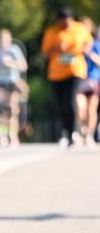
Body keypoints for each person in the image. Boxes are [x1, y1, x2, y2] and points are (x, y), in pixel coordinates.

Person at [41, 9, 92, 147]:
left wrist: (84, 49)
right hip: (56, 73)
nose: (65, 25)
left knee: (70, 100)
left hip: (75, 70)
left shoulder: (80, 28)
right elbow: (44, 53)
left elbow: (89, 42)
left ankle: (73, 131)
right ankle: (66, 131)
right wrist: (57, 48)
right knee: (60, 103)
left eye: (67, 22)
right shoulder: (52, 32)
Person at [0, 28, 28, 147]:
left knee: (12, 109)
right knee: (0, 110)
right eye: (1, 40)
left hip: (12, 81)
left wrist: (11, 63)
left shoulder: (15, 50)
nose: (3, 43)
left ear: (10, 40)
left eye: (6, 40)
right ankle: (2, 135)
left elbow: (24, 67)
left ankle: (13, 136)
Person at [77, 18, 100, 147]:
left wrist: (90, 54)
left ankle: (89, 135)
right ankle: (81, 131)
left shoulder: (96, 44)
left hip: (93, 79)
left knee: (91, 109)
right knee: (81, 109)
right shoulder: (75, 44)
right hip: (79, 79)